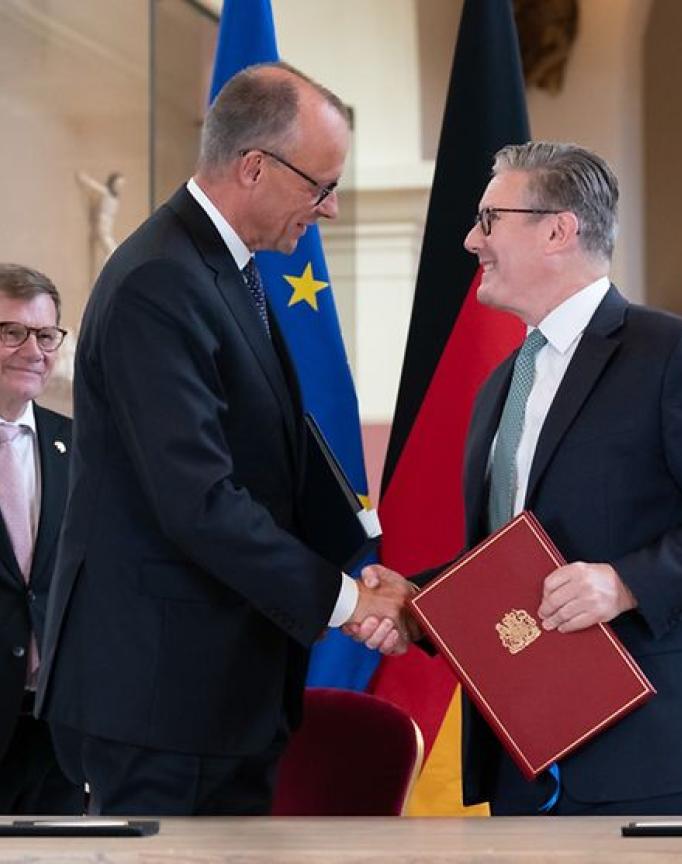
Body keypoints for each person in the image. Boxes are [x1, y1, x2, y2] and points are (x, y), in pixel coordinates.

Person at [354, 142, 682, 815]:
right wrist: (419, 604)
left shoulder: (673, 354)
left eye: (489, 219)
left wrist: (624, 584)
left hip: (652, 752)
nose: (471, 238)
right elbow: (515, 552)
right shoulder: (503, 383)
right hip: (523, 749)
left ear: (558, 229)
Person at [37, 63, 413, 817]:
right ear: (253, 167)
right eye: (321, 185)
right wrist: (347, 601)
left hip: (213, 694)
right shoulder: (160, 282)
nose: (329, 210)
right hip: (161, 698)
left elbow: (269, 459)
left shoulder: (219, 270)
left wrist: (368, 574)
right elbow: (199, 501)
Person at [0, 264, 83, 814]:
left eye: (46, 334)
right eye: (12, 332)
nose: (34, 350)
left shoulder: (78, 445)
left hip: (57, 725)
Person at [75, 171, 125, 263]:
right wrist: (83, 178)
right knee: (113, 251)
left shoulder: (115, 197)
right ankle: (105, 270)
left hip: (108, 226)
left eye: (121, 185)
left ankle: (105, 269)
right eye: (118, 184)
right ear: (112, 183)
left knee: (112, 251)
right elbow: (94, 185)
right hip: (103, 226)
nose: (119, 187)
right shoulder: (106, 192)